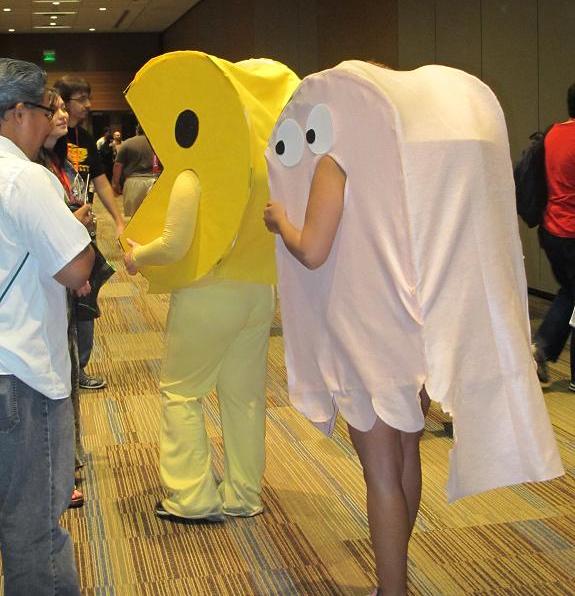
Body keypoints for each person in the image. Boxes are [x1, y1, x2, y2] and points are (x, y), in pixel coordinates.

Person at [264, 61, 563, 595]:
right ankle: (394, 572)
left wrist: (279, 220)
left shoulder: (337, 162)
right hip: (415, 323)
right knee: (404, 454)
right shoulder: (409, 161)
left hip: (362, 332)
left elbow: (311, 248)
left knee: (379, 471)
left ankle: (392, 588)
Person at [122, 51, 299, 522]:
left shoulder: (195, 171)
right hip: (259, 290)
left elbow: (174, 244)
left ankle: (190, 496)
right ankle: (243, 494)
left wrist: (137, 257)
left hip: (208, 291)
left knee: (181, 391)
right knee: (244, 397)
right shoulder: (267, 170)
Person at [0, 58, 94, 595]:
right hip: (23, 375)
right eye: (42, 110)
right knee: (33, 529)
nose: (48, 121)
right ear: (16, 113)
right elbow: (76, 267)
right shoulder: (24, 178)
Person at [39, 92, 96, 508]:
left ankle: (67, 459)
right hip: (47, 283)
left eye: (63, 108)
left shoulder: (58, 162)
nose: (62, 115)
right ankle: (57, 466)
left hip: (65, 279)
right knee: (54, 373)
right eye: (53, 109)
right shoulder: (28, 171)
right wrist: (72, 224)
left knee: (70, 365)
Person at [54, 75, 125, 390]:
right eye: (81, 99)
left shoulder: (84, 138)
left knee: (86, 300)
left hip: (85, 232)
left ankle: (78, 367)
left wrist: (119, 219)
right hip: (59, 232)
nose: (88, 105)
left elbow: (100, 181)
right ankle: (63, 366)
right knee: (60, 302)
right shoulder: (51, 139)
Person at [532, 83, 575, 392]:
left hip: (552, 230)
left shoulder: (554, 133)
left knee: (570, 292)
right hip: (572, 231)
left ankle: (541, 349)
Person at [112, 123, 157, 217]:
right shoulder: (157, 144)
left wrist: (116, 184)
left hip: (133, 183)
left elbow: (118, 165)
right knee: (152, 217)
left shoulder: (127, 143)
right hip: (155, 181)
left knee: (132, 218)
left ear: (137, 130)